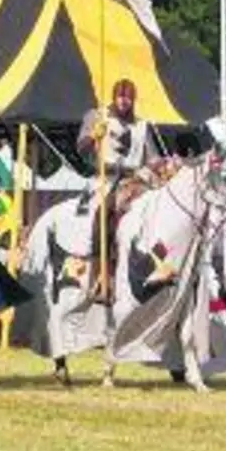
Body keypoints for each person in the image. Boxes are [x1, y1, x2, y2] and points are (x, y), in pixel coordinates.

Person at [75, 78, 160, 302]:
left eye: (129, 97)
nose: (124, 101)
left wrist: (161, 165)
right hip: (105, 178)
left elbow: (152, 158)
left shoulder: (142, 126)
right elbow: (81, 149)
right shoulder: (97, 116)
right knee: (103, 214)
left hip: (136, 180)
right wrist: (94, 136)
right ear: (114, 96)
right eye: (121, 96)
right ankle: (101, 273)